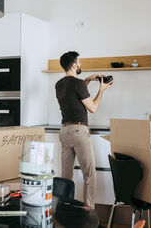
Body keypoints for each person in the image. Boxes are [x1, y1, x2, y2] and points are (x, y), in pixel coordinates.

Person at [55, 51, 112, 208]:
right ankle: (88, 213)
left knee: (66, 177)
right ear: (74, 65)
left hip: (64, 132)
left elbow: (74, 92)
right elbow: (93, 108)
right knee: (90, 174)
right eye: (78, 62)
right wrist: (101, 90)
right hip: (78, 131)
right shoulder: (78, 84)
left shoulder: (59, 84)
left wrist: (87, 80)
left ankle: (64, 209)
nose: (80, 65)